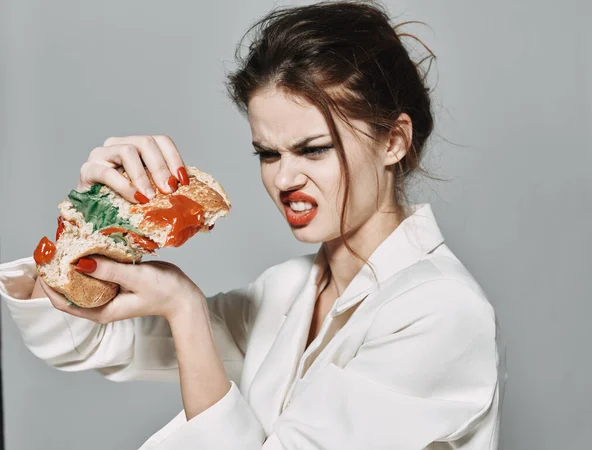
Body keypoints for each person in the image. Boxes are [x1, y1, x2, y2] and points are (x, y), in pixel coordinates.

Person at [0, 1, 507, 449]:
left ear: (394, 141)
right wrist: (92, 218)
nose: (284, 177)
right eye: (267, 153)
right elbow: (85, 340)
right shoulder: (285, 292)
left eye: (314, 149)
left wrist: (186, 309)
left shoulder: (442, 314)